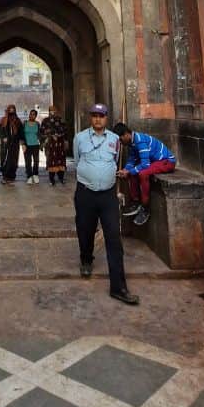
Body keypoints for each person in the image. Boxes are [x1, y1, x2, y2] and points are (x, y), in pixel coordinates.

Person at [73, 103, 139, 305]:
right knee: (85, 230)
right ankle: (86, 259)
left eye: (101, 116)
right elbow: (77, 161)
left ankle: (118, 287)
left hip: (108, 196)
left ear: (106, 118)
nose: (97, 119)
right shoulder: (80, 138)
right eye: (94, 115)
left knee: (113, 239)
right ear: (90, 118)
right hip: (85, 193)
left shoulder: (115, 140)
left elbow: (116, 160)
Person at [113, 122, 176, 226]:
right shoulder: (132, 143)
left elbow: (145, 165)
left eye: (120, 139)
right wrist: (125, 170)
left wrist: (129, 171)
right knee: (133, 172)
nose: (120, 142)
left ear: (126, 134)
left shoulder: (140, 141)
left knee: (143, 174)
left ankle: (145, 207)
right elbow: (132, 161)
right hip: (155, 162)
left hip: (167, 162)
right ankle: (136, 202)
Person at [40, 105, 67, 185]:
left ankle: (61, 178)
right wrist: (50, 135)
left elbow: (65, 130)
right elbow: (42, 131)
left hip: (60, 144)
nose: (52, 112)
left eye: (54, 110)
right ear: (49, 111)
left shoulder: (60, 120)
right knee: (51, 160)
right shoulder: (45, 120)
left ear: (56, 111)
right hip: (50, 144)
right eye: (51, 110)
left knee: (60, 160)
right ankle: (52, 180)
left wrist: (58, 135)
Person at [0, 105, 25, 185]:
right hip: (6, 144)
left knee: (13, 161)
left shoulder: (17, 120)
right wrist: (3, 138)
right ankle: (5, 177)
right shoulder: (3, 120)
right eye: (10, 109)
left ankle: (11, 177)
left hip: (15, 144)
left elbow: (21, 132)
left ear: (15, 110)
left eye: (13, 109)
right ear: (8, 110)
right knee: (5, 160)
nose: (11, 111)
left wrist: (22, 142)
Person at [23, 108, 41, 183]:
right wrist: (23, 144)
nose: (31, 115)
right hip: (27, 145)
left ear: (35, 116)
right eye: (31, 114)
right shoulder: (24, 123)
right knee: (28, 161)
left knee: (36, 161)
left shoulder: (37, 124)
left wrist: (42, 143)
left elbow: (39, 134)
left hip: (36, 145)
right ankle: (29, 176)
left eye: (33, 114)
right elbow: (22, 134)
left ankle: (35, 175)